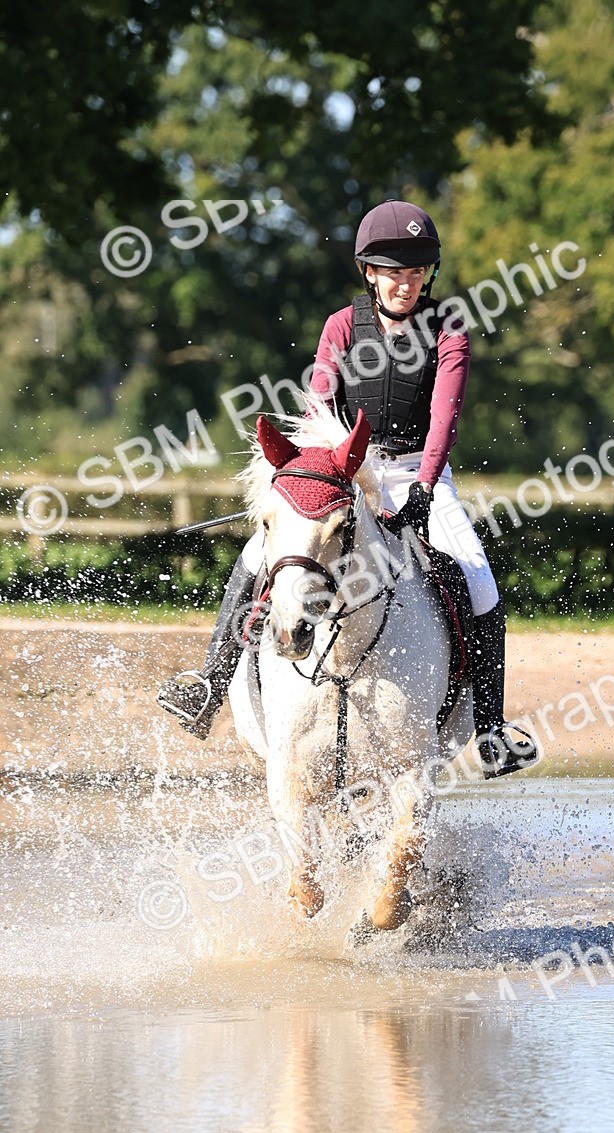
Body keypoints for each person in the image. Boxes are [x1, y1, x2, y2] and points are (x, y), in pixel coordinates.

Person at [157, 200, 536, 777]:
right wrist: (323, 472)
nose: (404, 284)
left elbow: (444, 418)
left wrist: (425, 489)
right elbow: (319, 405)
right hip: (344, 469)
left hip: (417, 470)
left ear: (427, 275)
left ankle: (489, 729)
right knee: (258, 556)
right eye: (392, 272)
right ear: (370, 273)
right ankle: (208, 684)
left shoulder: (448, 330)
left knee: (478, 579)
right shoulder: (341, 325)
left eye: (414, 273)